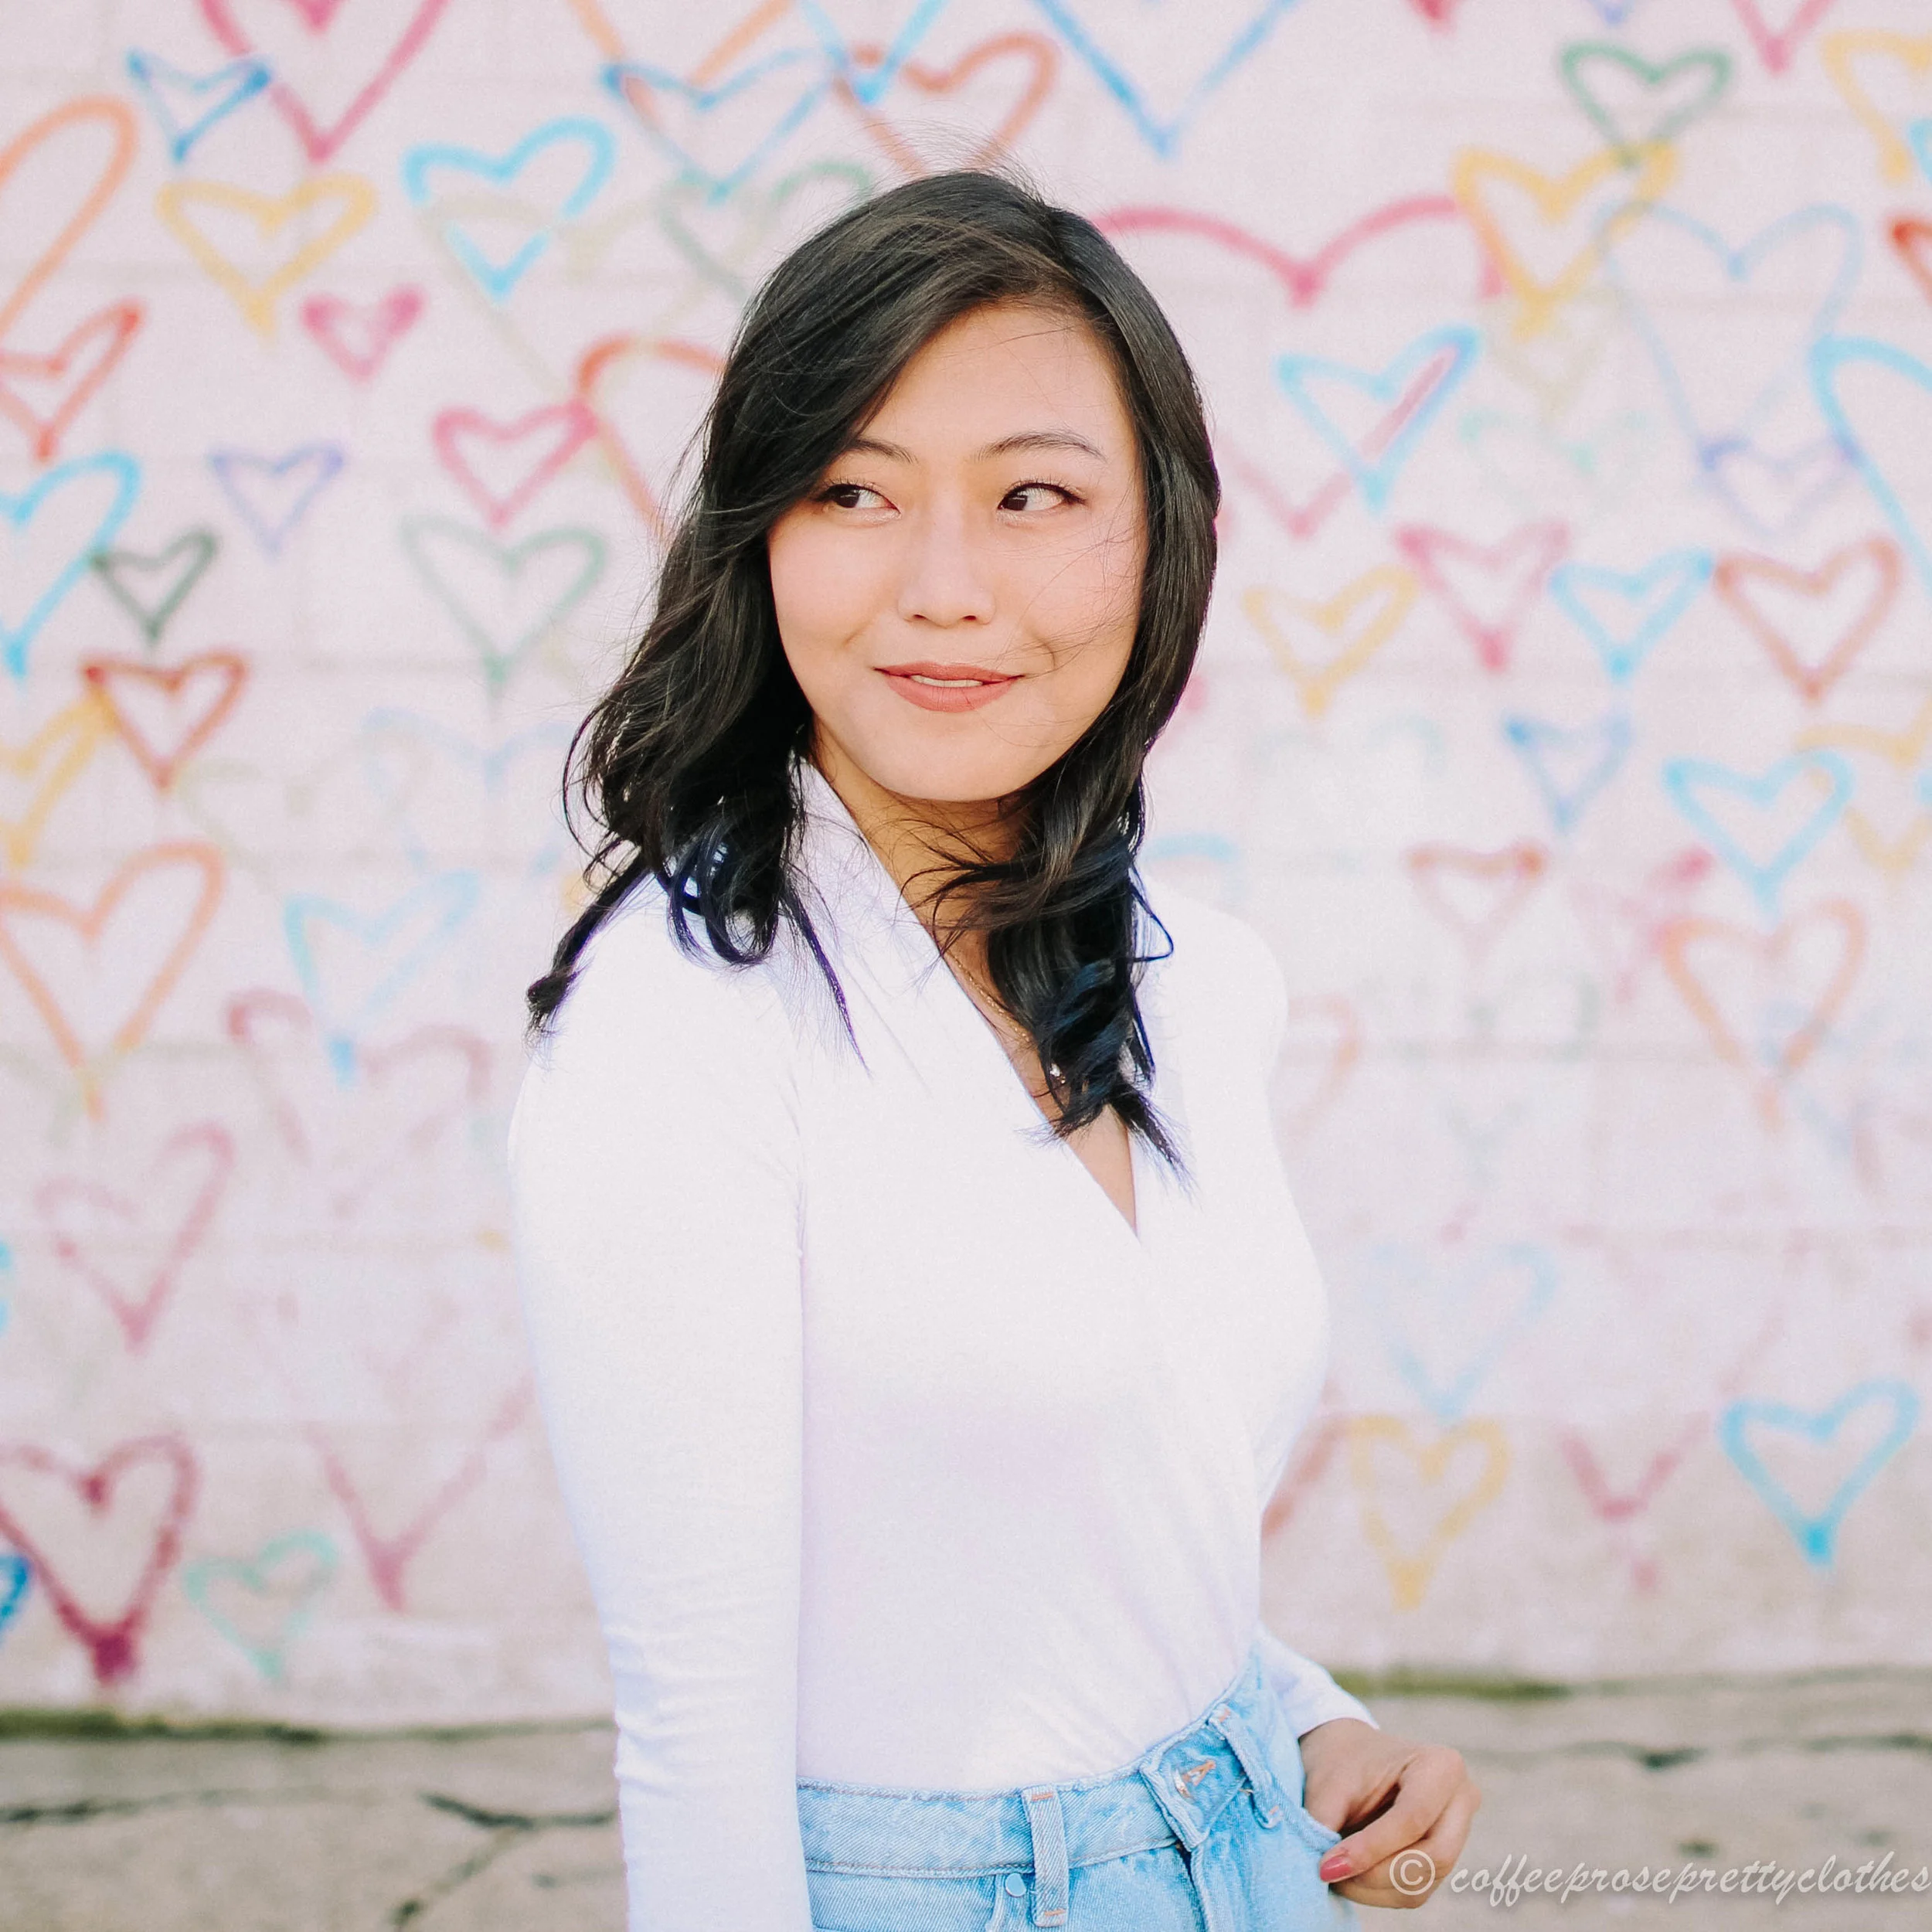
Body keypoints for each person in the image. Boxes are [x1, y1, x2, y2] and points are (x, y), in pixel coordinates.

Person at [507, 169, 1479, 1932]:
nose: (940, 588)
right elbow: (696, 1725)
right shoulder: (682, 1019)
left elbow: (1072, 1505)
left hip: (1251, 1856)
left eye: (1032, 494)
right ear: (761, 539)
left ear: (1157, 531)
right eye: (853, 491)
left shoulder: (1195, 980)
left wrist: (1303, 1718)